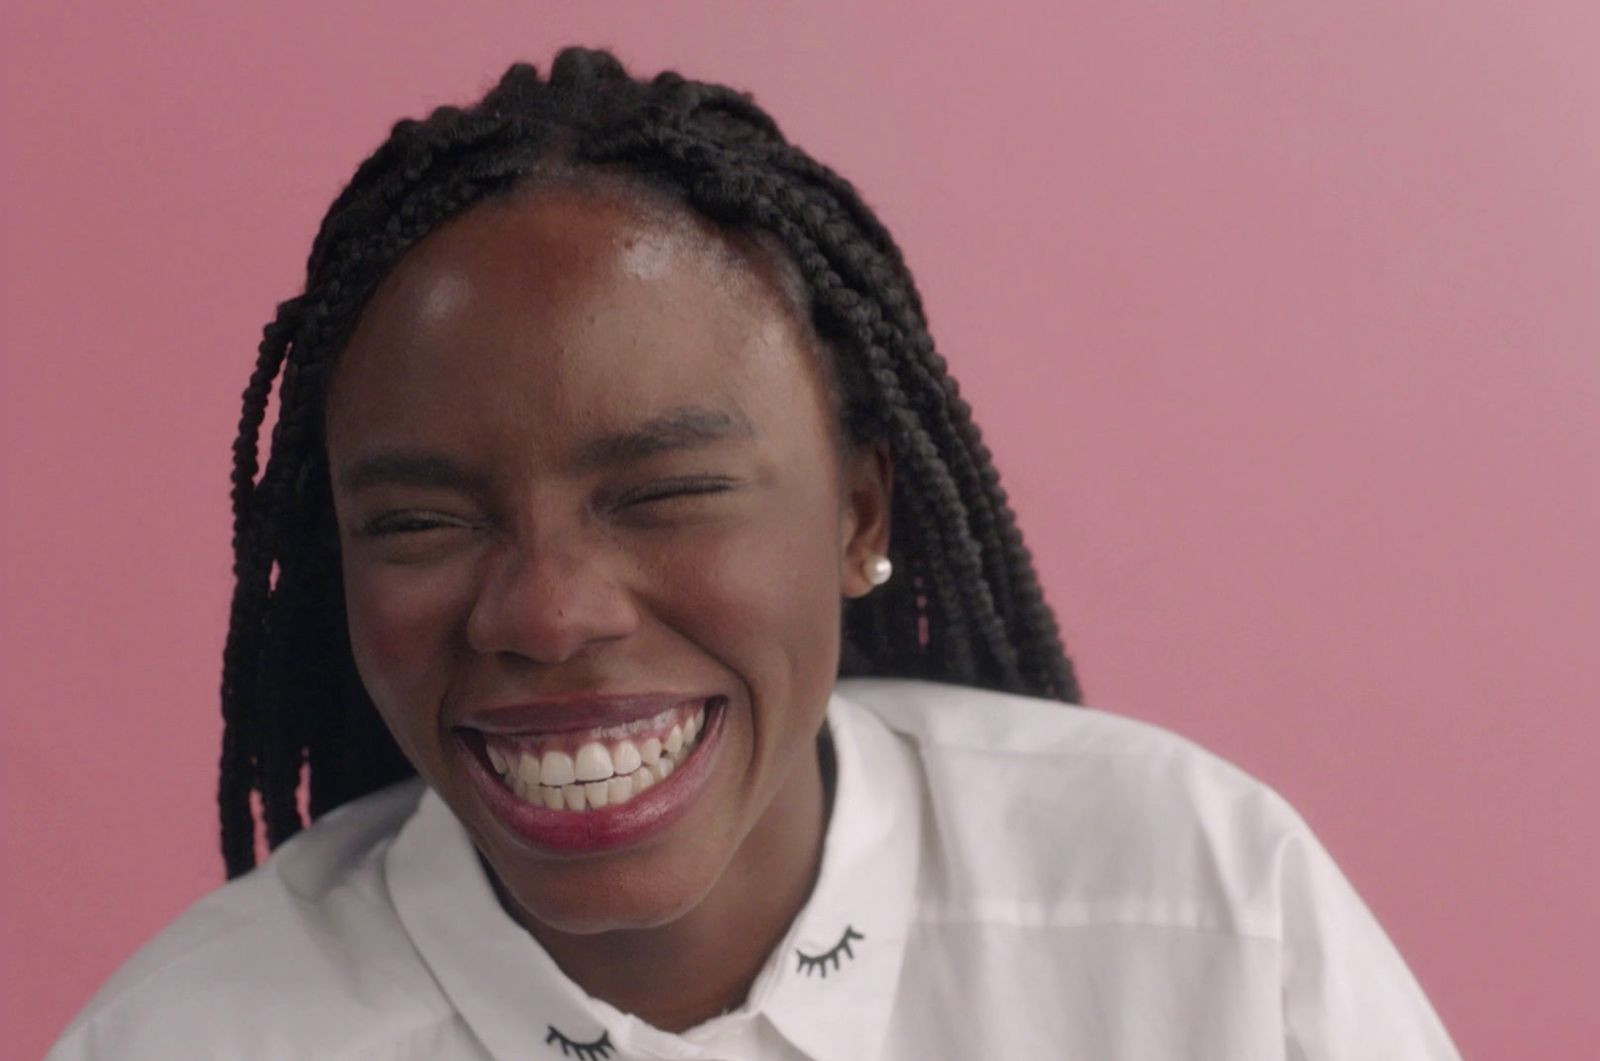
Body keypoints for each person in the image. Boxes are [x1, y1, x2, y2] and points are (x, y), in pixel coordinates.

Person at [50, 47, 1459, 1059]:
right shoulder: (185, 1037)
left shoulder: (1206, 920)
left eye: (662, 492)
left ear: (859, 512)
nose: (545, 610)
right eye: (421, 520)